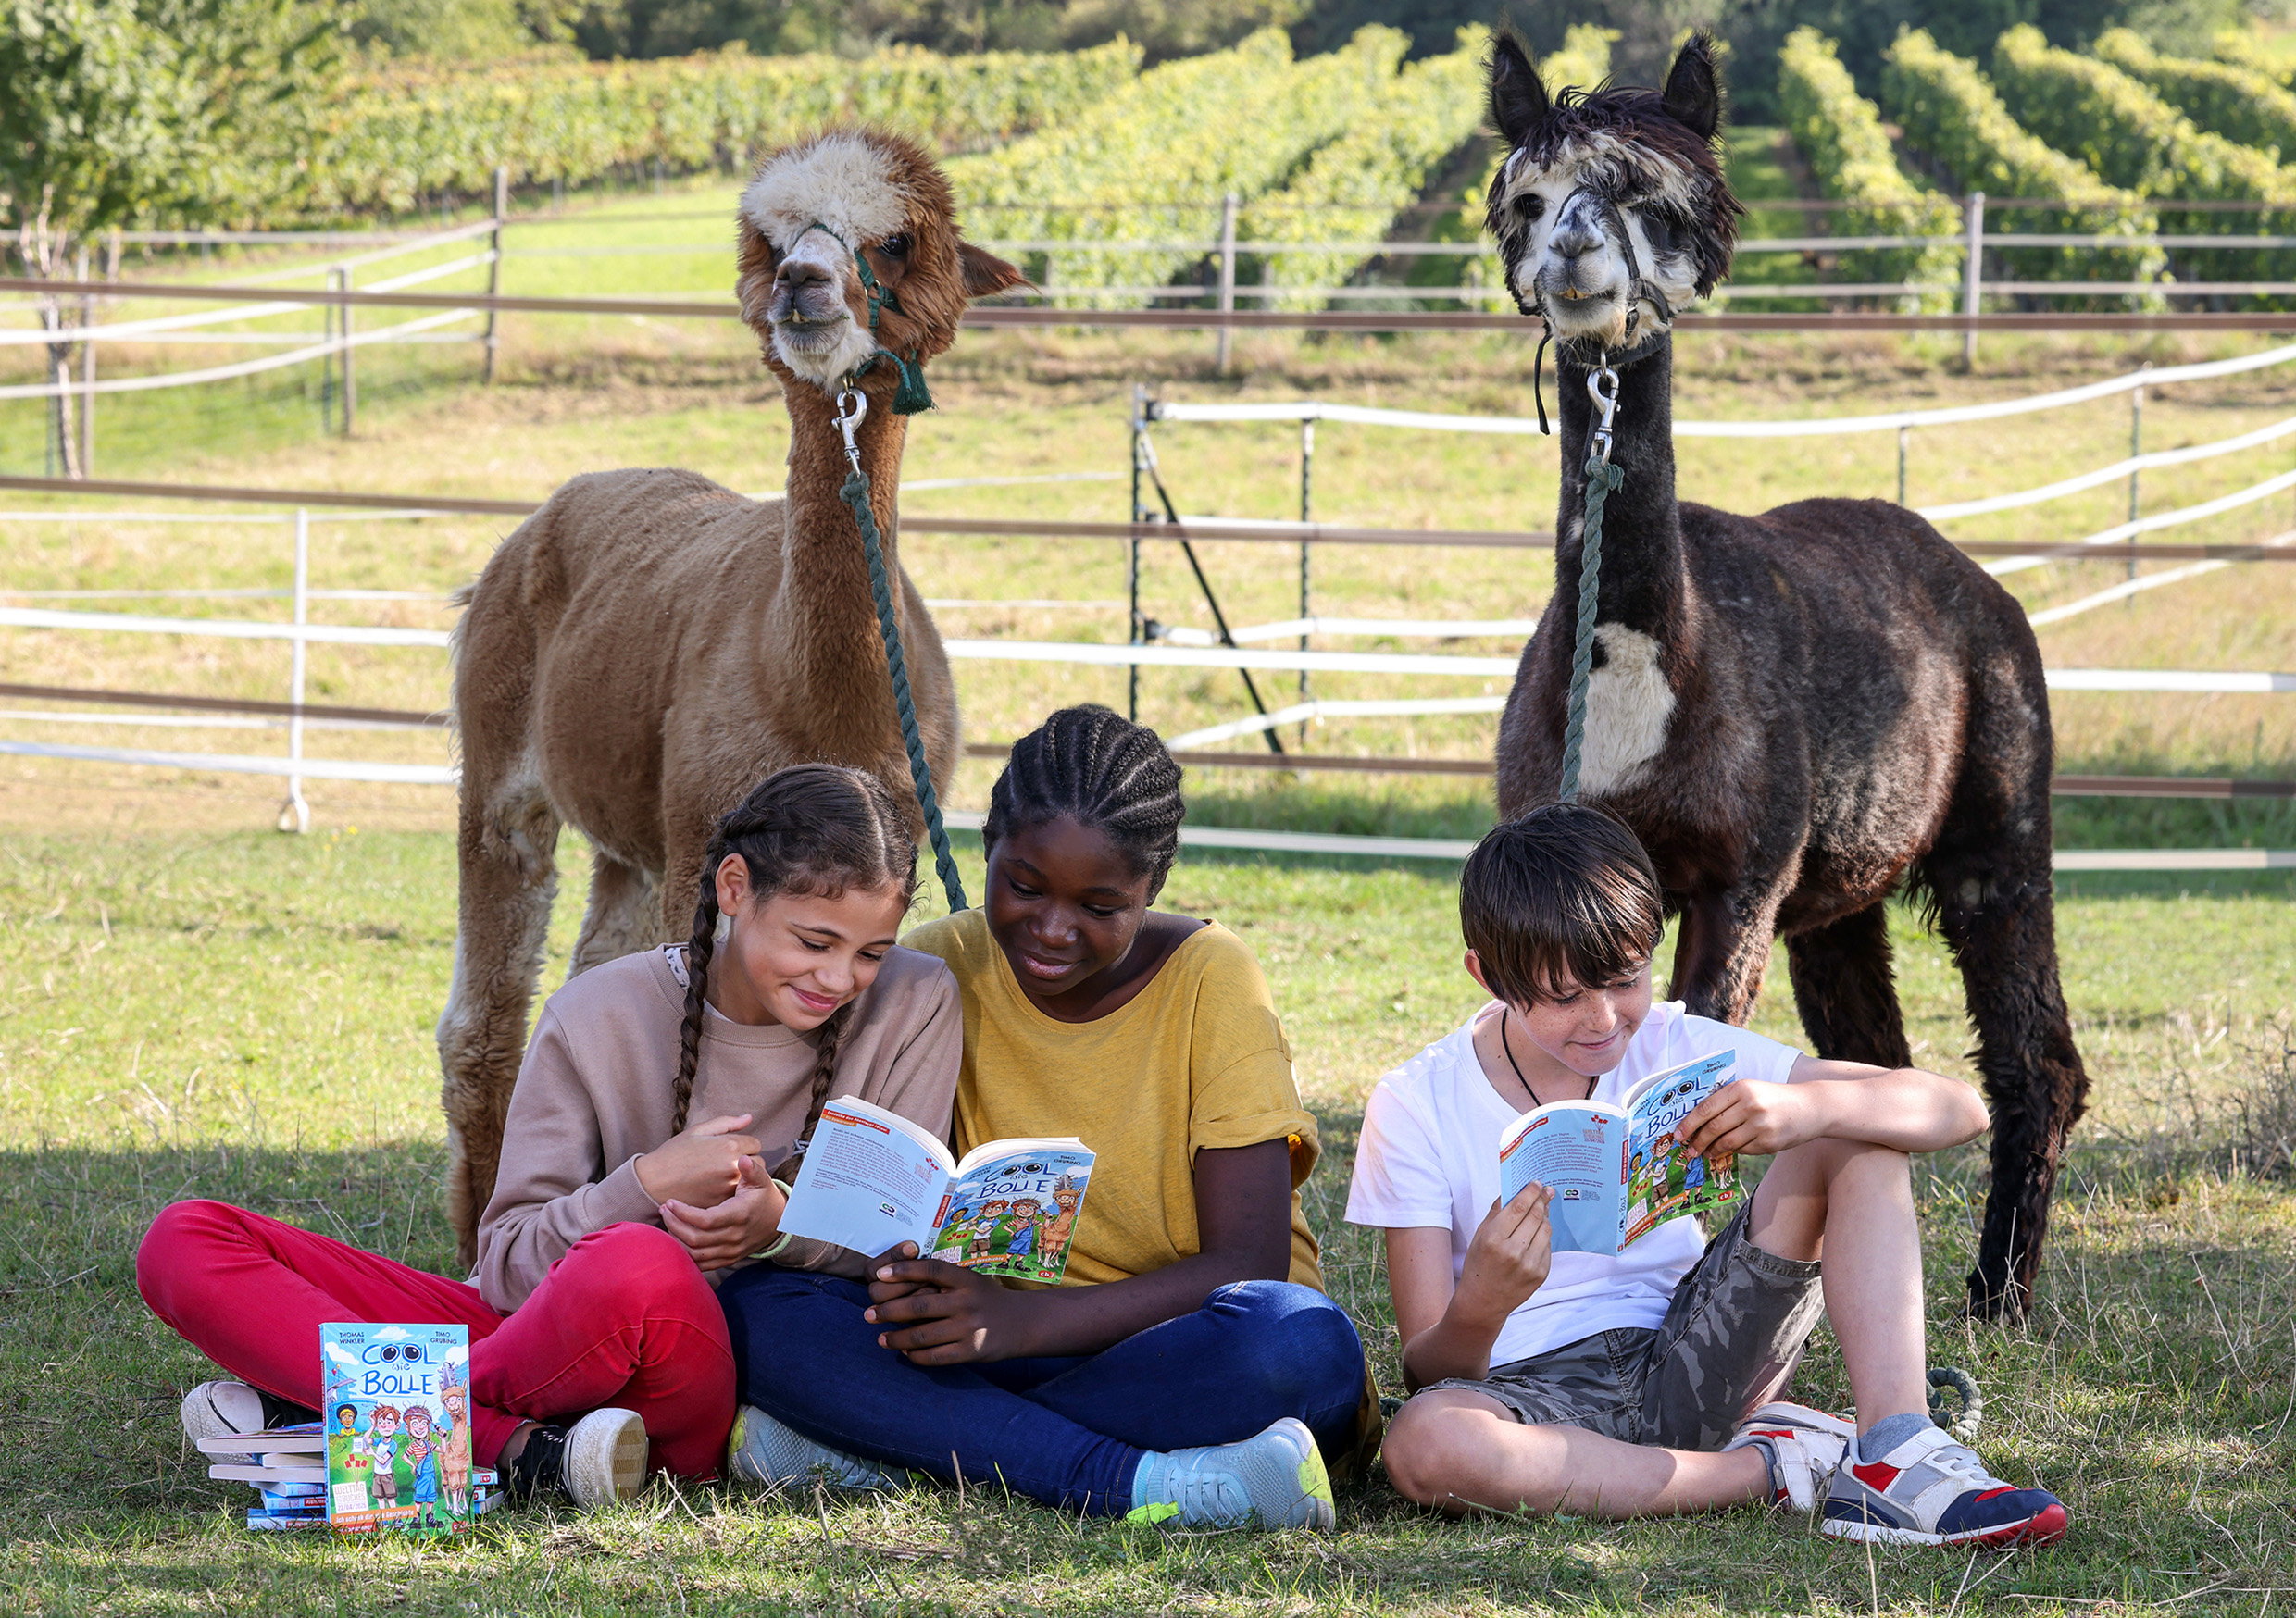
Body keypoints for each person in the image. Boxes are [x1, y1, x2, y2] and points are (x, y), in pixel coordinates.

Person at [137, 765, 961, 1512]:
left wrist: (776, 1224)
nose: (838, 978)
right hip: (540, 1348)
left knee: (637, 1266)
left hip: (691, 1378)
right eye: (814, 942)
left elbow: (904, 1238)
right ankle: (522, 1454)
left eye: (869, 953)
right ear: (736, 887)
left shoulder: (914, 999)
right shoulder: (596, 1013)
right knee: (188, 1239)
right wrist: (644, 1185)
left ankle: (342, 1408)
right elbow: (505, 1265)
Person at [719, 706, 1372, 1531]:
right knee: (758, 1306)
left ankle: (894, 1447)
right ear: (988, 843)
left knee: (1301, 1343)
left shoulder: (1215, 980)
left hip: (1175, 1350)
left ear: (1151, 889)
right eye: (1024, 887)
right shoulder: (932, 965)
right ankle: (1147, 1479)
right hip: (973, 1343)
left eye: (1101, 905)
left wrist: (1020, 1324)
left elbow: (1248, 1258)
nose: (1053, 929)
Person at [1349, 804, 2068, 1548]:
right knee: (1424, 1444)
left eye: (1625, 980)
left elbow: (1956, 1108)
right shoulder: (1416, 1101)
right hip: (1530, 1396)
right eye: (1565, 997)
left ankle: (1897, 1451)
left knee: (1856, 1127)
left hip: (1695, 1348)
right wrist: (1481, 1305)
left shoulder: (1673, 1043)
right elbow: (1430, 1374)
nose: (1602, 1019)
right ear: (1486, 974)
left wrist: (1801, 1108)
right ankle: (1780, 1465)